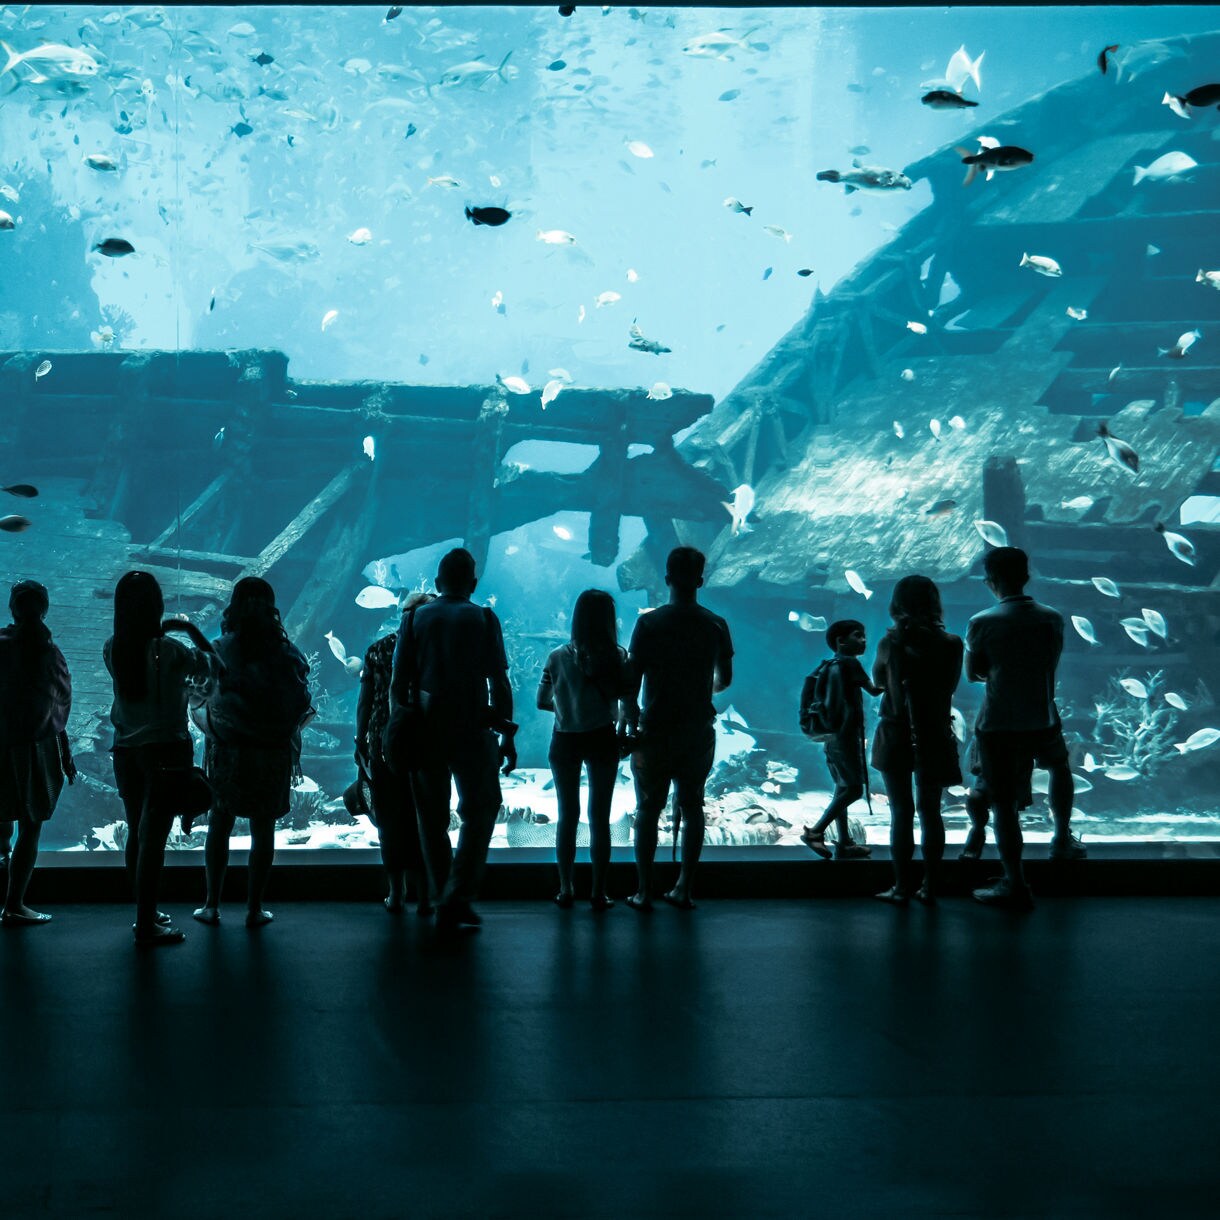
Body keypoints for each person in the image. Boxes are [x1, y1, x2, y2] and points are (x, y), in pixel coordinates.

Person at [388, 548, 515, 933]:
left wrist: (400, 728)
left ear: (438, 583)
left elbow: (398, 684)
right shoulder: (484, 618)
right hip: (474, 728)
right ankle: (457, 894)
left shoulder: (414, 619)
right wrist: (506, 733)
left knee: (431, 818)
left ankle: (444, 892)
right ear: (473, 584)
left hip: (425, 729)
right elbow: (499, 681)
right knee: (484, 807)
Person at [104, 571, 221, 946]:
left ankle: (145, 910)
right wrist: (186, 630)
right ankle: (146, 924)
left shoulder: (112, 648)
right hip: (166, 752)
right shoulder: (171, 651)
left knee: (137, 834)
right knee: (153, 838)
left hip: (125, 752)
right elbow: (215, 670)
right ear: (157, 607)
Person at [966, 547, 1085, 911]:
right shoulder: (1051, 618)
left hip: (1000, 722)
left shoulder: (983, 621)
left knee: (1003, 803)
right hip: (1043, 714)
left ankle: (1014, 883)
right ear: (1027, 576)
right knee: (1059, 768)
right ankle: (1061, 839)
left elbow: (974, 673)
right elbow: (1051, 662)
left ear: (990, 581)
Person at [192, 577, 311, 929]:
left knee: (220, 823)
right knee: (263, 830)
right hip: (271, 753)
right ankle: (254, 908)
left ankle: (211, 904)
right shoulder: (287, 653)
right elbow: (301, 702)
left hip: (228, 752)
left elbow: (199, 697)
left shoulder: (219, 648)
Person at [621, 546, 733, 911]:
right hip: (697, 729)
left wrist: (630, 719)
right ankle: (684, 887)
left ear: (666, 578)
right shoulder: (716, 624)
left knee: (647, 810)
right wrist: (701, 686)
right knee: (693, 805)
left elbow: (632, 680)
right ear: (701, 580)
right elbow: (724, 680)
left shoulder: (649, 623)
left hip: (655, 730)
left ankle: (642, 890)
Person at [870, 576, 963, 905]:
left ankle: (901, 886)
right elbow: (950, 687)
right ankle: (931, 886)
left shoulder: (889, 644)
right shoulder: (952, 643)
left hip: (895, 730)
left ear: (897, 605)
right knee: (930, 812)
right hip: (935, 732)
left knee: (901, 811)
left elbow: (877, 681)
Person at [538, 589, 628, 911]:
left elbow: (541, 701)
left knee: (568, 816)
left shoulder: (556, 657)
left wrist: (568, 707)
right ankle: (599, 892)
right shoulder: (618, 656)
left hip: (565, 739)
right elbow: (623, 699)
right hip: (602, 738)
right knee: (599, 818)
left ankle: (565, 889)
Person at [0, 581, 75, 926]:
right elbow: (58, 707)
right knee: (30, 827)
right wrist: (66, 754)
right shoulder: (49, 652)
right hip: (36, 750)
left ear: (12, 609)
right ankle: (15, 903)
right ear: (44, 610)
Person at [357, 590, 434, 915]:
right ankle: (427, 896)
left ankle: (397, 892)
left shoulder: (378, 649)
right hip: (426, 744)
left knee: (390, 819)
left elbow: (366, 700)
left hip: (383, 742)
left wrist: (360, 739)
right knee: (424, 818)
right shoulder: (434, 651)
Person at [799, 620, 880, 861]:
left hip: (832, 736)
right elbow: (874, 690)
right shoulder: (849, 663)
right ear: (840, 641)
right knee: (854, 789)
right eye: (858, 635)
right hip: (845, 736)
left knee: (842, 787)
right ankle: (816, 831)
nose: (864, 640)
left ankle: (845, 842)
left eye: (864, 635)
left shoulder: (828, 665)